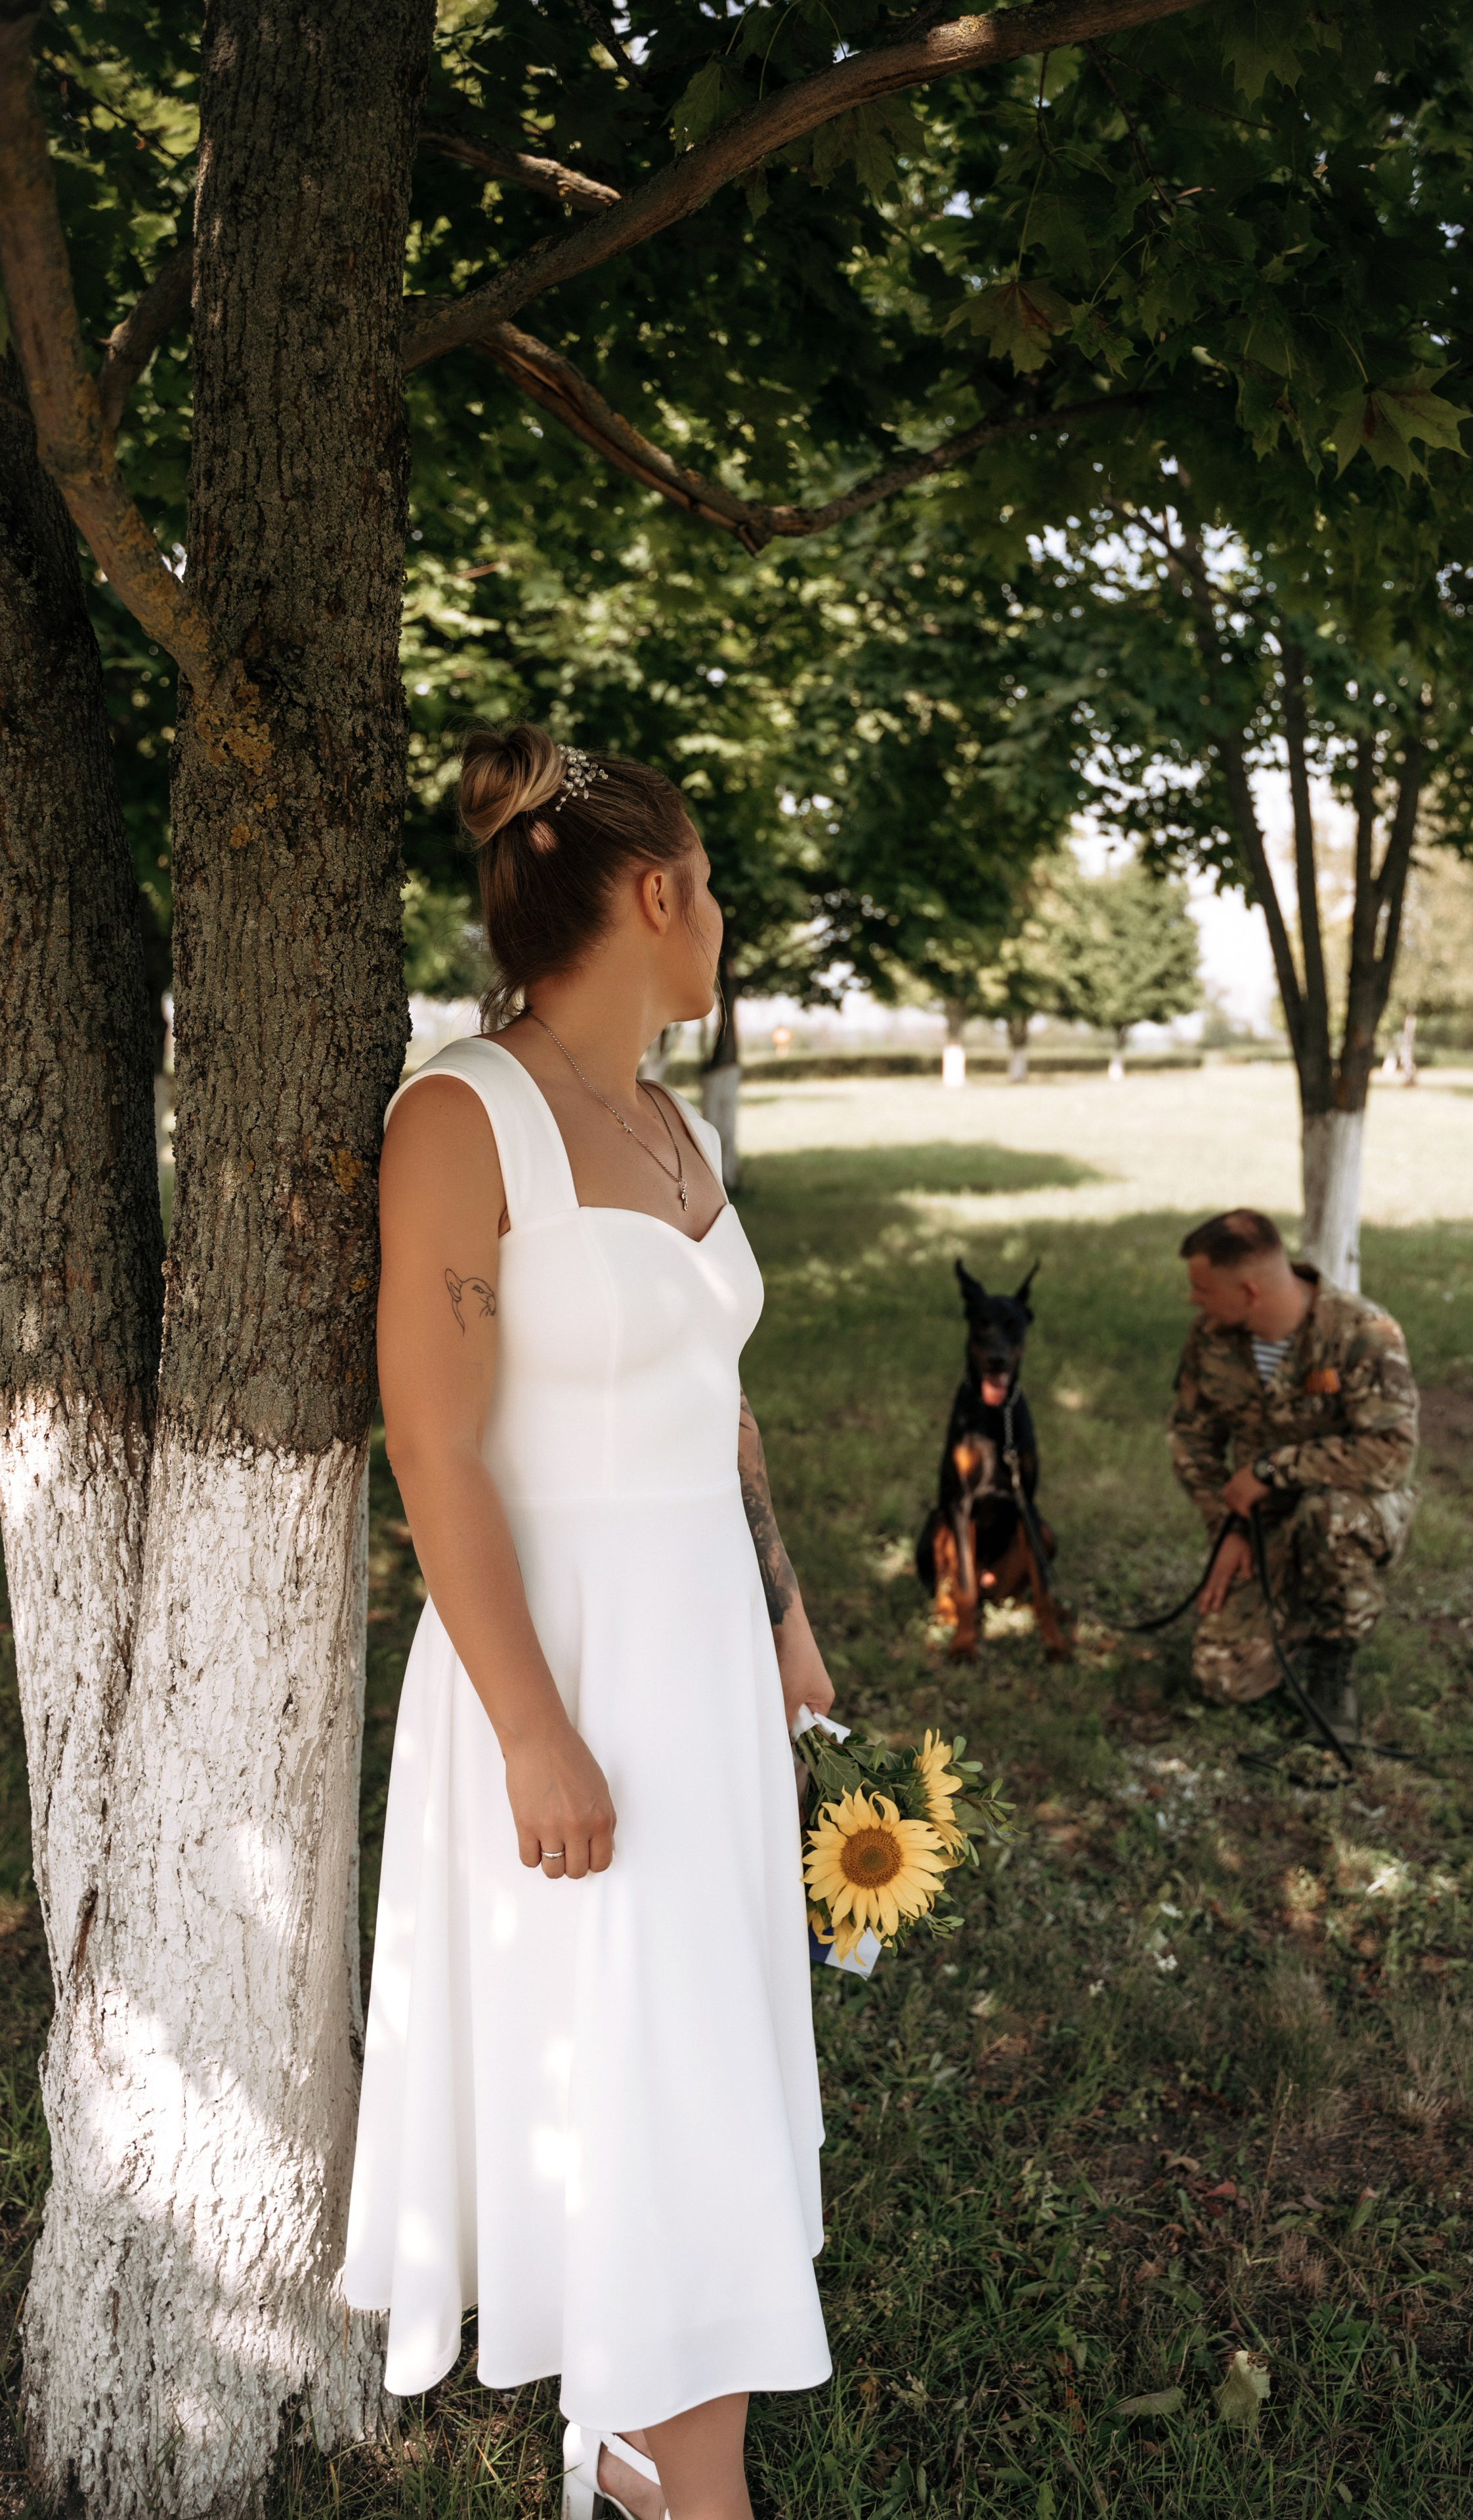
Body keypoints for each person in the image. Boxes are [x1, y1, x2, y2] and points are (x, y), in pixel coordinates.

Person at [343, 726, 836, 2520]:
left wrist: (782, 1615)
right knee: (632, 2057)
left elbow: (720, 1393)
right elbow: (435, 1438)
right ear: (652, 895)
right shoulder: (463, 1113)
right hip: (559, 1661)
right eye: (711, 888)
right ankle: (671, 2465)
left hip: (702, 1653)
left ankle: (644, 2449)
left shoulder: (669, 1120)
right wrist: (535, 1728)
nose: (721, 920)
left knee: (696, 2045)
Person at [1166, 1208, 1419, 1740]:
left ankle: (1334, 1659)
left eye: (1203, 1288)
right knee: (1222, 1681)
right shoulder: (1211, 1338)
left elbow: (1391, 1453)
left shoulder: (1361, 1332)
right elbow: (1193, 1440)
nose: (1195, 1299)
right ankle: (1295, 1608)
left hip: (1356, 1508)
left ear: (1251, 1291)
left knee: (1327, 1515)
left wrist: (1271, 1470)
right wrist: (1228, 1526)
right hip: (1262, 1521)